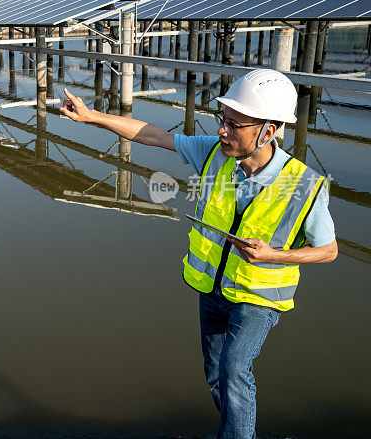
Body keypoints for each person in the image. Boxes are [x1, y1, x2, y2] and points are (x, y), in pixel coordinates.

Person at [59, 69, 337, 439]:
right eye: (223, 120)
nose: (223, 130)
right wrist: (92, 117)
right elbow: (154, 135)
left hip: (258, 297)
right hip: (212, 290)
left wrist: (274, 256)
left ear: (268, 131)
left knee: (234, 369)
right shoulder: (213, 153)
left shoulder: (304, 185)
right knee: (216, 375)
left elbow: (329, 251)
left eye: (235, 125)